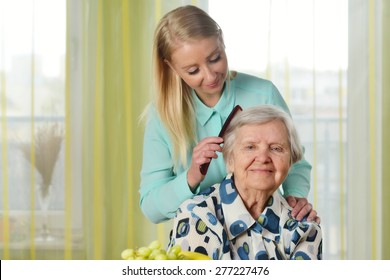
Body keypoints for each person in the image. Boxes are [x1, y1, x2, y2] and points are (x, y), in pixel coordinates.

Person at [140, 5, 318, 224]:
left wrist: (296, 198)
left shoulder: (263, 94)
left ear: (222, 43)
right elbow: (151, 208)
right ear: (172, 68)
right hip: (201, 238)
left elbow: (295, 161)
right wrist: (193, 175)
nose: (210, 75)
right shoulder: (161, 117)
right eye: (193, 71)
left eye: (215, 58)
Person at [168, 105, 323, 260]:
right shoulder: (196, 215)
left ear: (290, 162)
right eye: (250, 147)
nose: (263, 158)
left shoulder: (304, 227)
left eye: (276, 148)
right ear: (230, 159)